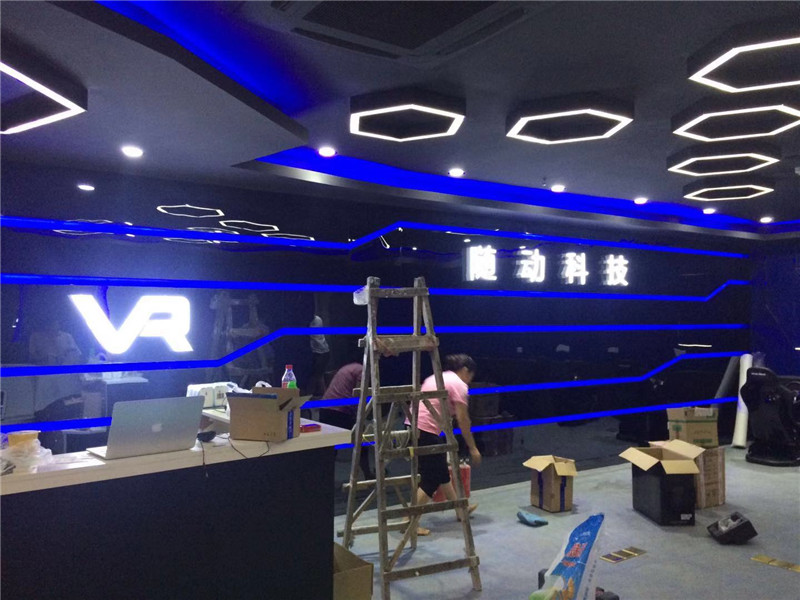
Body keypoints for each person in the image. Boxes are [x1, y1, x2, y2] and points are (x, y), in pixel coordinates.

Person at [408, 354, 481, 535]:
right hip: (426, 430)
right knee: (431, 479)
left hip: (412, 426)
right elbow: (463, 419)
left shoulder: (437, 377)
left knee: (441, 472)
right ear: (465, 370)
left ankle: (460, 510)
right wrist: (473, 447)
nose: (469, 381)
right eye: (471, 376)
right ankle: (409, 522)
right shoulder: (459, 384)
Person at [317, 361, 374, 480]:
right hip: (339, 410)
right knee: (361, 441)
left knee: (329, 448)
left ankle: (325, 480)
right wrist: (362, 416)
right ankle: (368, 475)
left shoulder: (349, 367)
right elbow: (359, 394)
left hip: (326, 408)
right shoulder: (362, 370)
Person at [309, 314, 330, 397]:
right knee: (319, 376)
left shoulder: (313, 320)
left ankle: (321, 397)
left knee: (315, 377)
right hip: (324, 351)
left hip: (319, 352)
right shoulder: (318, 318)